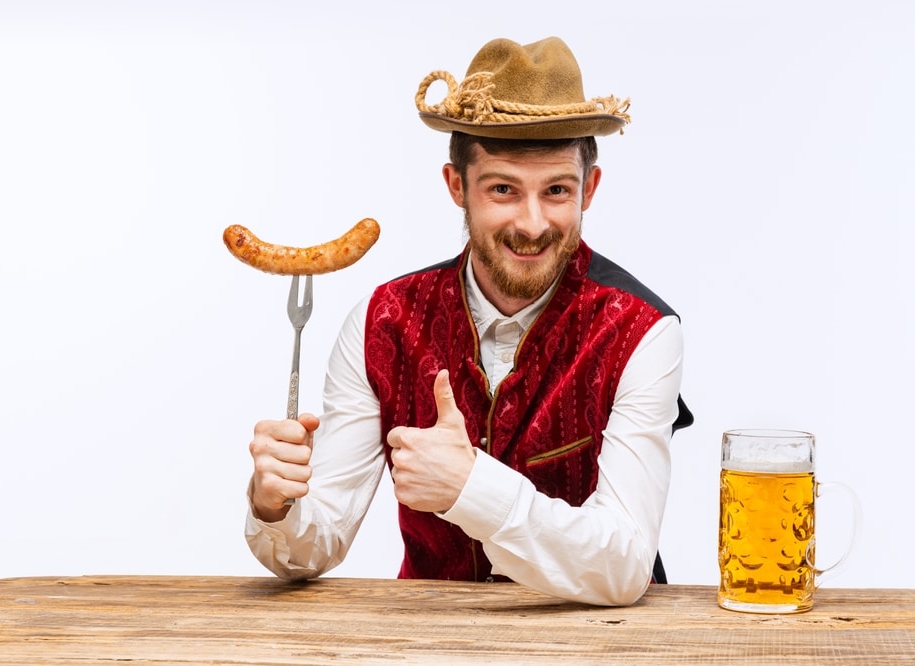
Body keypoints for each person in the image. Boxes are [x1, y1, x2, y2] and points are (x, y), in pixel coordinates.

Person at [244, 36, 693, 607]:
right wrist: (275, 505)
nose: (532, 224)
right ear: (458, 186)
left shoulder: (643, 332)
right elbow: (311, 550)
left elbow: (625, 564)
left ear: (590, 190)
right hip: (429, 644)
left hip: (598, 647)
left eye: (557, 191)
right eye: (503, 189)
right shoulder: (382, 322)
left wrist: (469, 488)